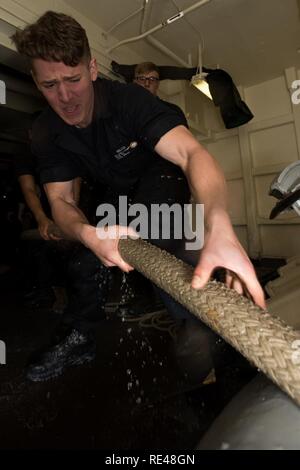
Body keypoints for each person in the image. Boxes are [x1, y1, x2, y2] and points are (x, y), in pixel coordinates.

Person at [12, 11, 265, 382]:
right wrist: (88, 234)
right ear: (36, 82)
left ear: (93, 69)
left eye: (73, 79)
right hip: (116, 190)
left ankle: (217, 337)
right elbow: (62, 202)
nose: (65, 97)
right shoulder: (45, 130)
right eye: (50, 85)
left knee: (161, 233)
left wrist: (219, 222)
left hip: (160, 179)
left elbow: (193, 154)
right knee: (83, 254)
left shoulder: (130, 100)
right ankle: (81, 335)